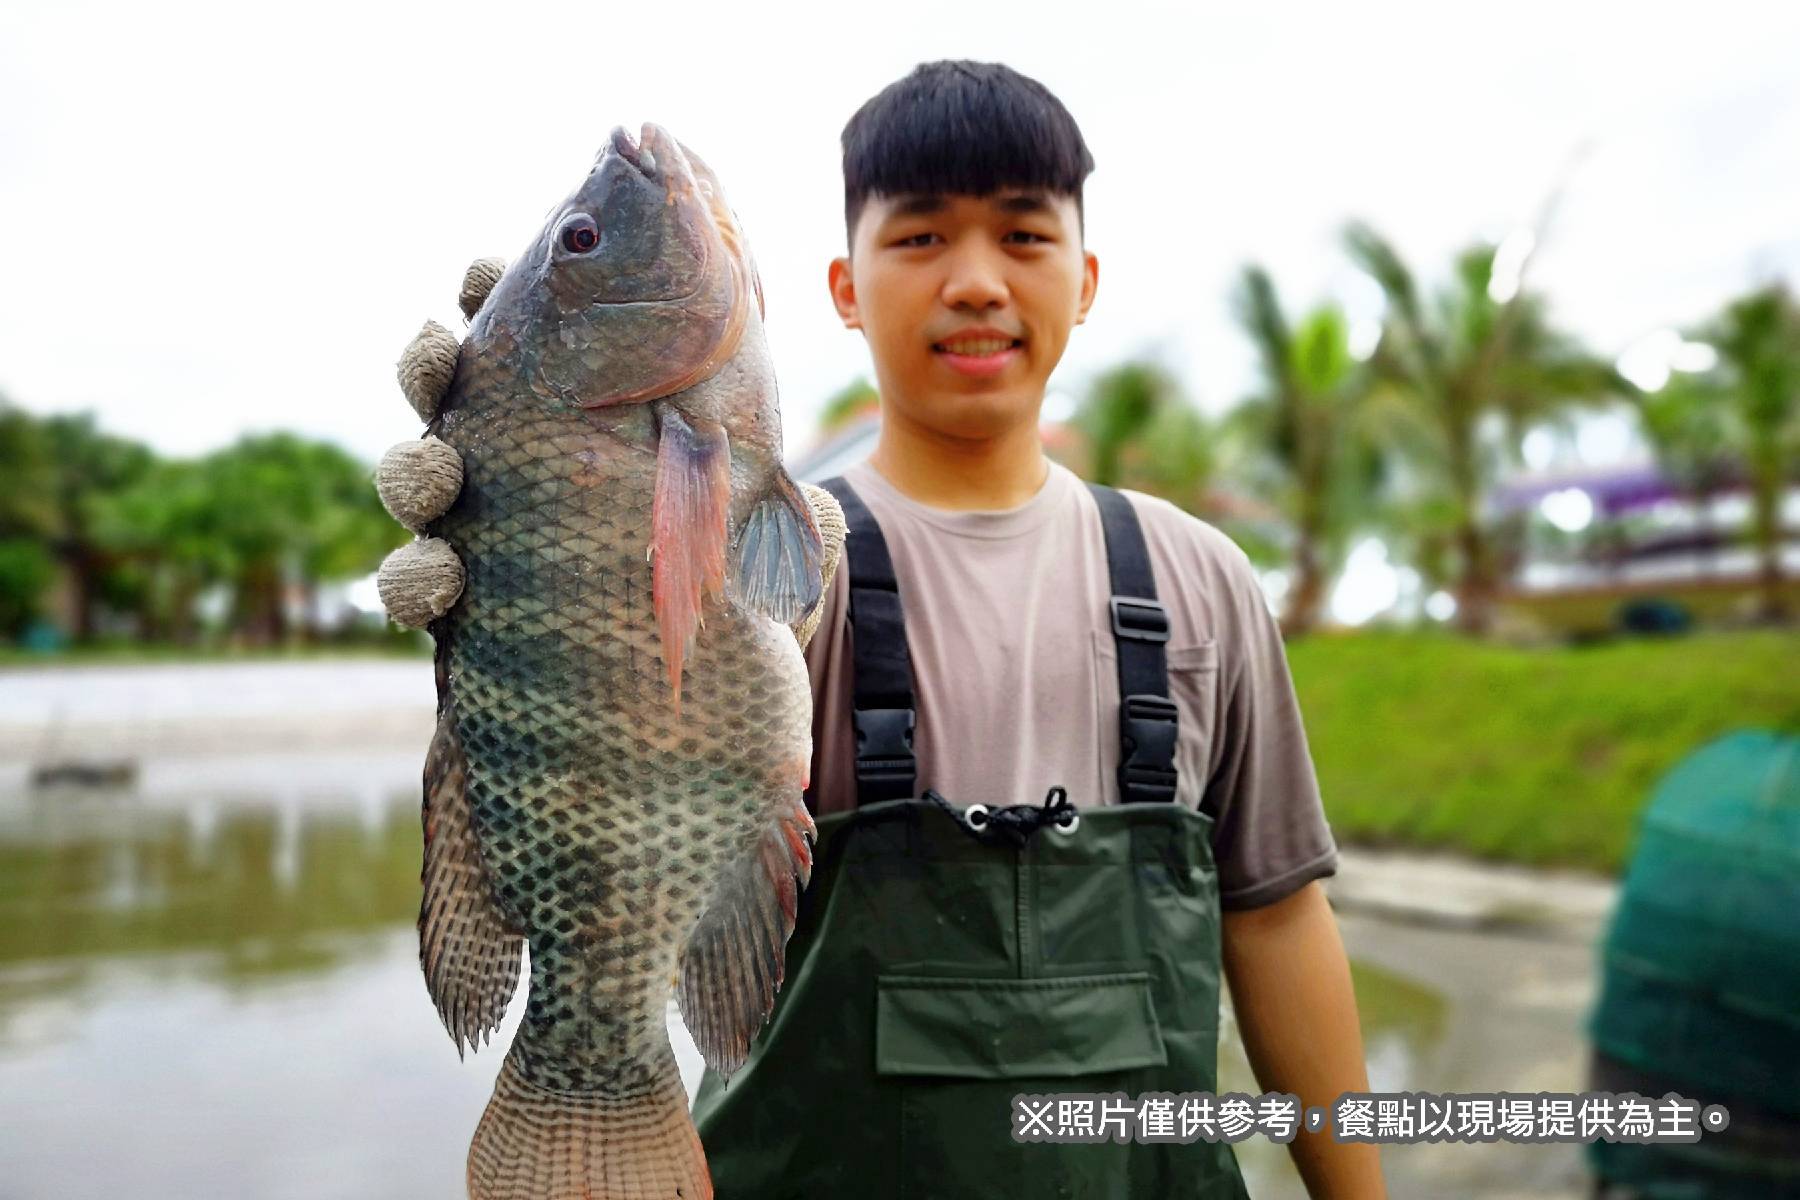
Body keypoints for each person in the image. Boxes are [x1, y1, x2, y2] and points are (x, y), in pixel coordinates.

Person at [688, 60, 1386, 1198]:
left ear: (1086, 275)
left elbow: (1277, 922)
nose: (974, 283)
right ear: (845, 286)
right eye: (920, 239)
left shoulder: (1201, 580)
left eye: (1022, 237)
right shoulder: (766, 578)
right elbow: (605, 816)